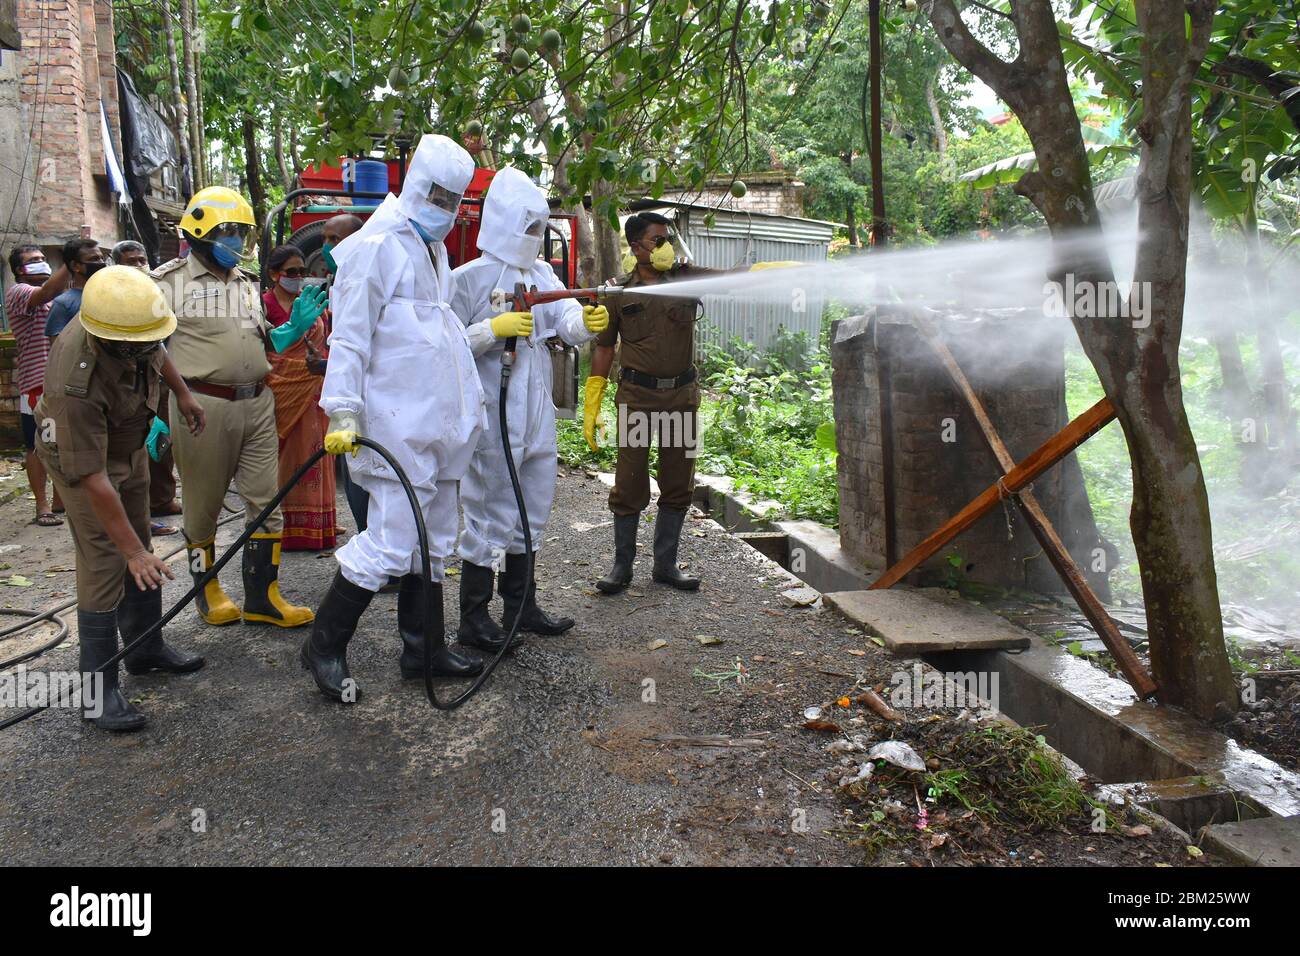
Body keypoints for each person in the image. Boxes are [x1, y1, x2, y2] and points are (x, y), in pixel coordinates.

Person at [303, 133, 486, 702]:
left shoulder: (433, 251)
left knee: (432, 541)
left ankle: (423, 649)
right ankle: (323, 645)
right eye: (437, 195)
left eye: (454, 200)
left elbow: (439, 330)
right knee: (389, 541)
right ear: (413, 186)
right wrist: (343, 412)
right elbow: (351, 341)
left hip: (438, 424)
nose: (446, 209)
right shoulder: (375, 246)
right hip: (392, 426)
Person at [34, 266, 207, 731]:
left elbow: (155, 351)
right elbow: (90, 474)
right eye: (138, 344)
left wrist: (184, 394)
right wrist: (129, 549)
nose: (147, 348)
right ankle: (97, 694)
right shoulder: (76, 379)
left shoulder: (132, 325)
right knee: (107, 561)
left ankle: (145, 649)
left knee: (142, 552)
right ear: (107, 340)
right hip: (84, 462)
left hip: (127, 446)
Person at [586, 212, 796, 594]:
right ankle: (621, 567)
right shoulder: (617, 291)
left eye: (667, 238)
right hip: (637, 399)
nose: (665, 246)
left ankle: (665, 565)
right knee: (630, 484)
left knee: (678, 482)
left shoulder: (685, 278)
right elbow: (604, 346)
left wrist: (762, 270)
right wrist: (593, 398)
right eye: (657, 240)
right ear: (635, 248)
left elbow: (729, 277)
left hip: (680, 398)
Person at [450, 167, 608, 647]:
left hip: (536, 401)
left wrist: (586, 320)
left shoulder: (542, 273)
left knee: (532, 504)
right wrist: (491, 331)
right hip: (493, 404)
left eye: (539, 227)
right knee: (489, 507)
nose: (534, 237)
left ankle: (522, 606)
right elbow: (443, 344)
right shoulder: (468, 279)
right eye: (528, 226)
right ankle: (474, 617)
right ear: (502, 220)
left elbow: (563, 319)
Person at [152, 186, 322, 628]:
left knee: (266, 502)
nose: (235, 242)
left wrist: (291, 332)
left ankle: (263, 598)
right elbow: (149, 349)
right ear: (201, 233)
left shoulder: (245, 284)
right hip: (203, 406)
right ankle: (206, 591)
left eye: (241, 233)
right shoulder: (169, 283)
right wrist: (160, 410)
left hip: (258, 402)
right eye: (227, 232)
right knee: (202, 505)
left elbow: (264, 339)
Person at [262, 244, 339, 550]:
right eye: (291, 272)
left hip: (315, 390)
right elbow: (266, 350)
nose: (298, 277)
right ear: (274, 274)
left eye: (302, 271)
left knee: (318, 454)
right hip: (283, 390)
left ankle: (320, 522)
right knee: (287, 458)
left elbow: (328, 342)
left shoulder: (311, 302)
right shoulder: (264, 305)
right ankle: (287, 525)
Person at [111, 241, 182, 532]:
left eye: (142, 259)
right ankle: (132, 516)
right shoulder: (111, 297)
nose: (139, 265)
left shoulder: (157, 293)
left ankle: (161, 499)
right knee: (132, 450)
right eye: (131, 261)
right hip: (126, 385)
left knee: (162, 444)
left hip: (158, 379)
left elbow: (159, 347)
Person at [5, 244, 69, 527]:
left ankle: (60, 501)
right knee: (37, 445)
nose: (42, 263)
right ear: (20, 270)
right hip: (36, 382)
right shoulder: (19, 292)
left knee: (61, 442)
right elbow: (46, 292)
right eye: (35, 260)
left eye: (44, 259)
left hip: (59, 379)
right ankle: (42, 506)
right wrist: (70, 261)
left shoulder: (54, 297)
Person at [319, 214, 370, 534]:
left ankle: (389, 563)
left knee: (368, 478)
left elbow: (361, 345)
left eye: (334, 240)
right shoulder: (341, 279)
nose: (325, 247)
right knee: (354, 474)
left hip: (368, 396)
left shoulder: (364, 279)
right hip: (348, 394)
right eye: (324, 239)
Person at [43, 238, 106, 339]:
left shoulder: (110, 296)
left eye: (102, 258)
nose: (101, 263)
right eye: (94, 259)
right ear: (75, 266)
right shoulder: (63, 304)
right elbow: (58, 348)